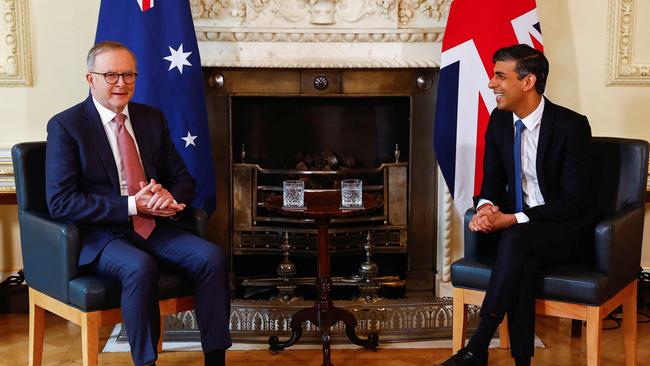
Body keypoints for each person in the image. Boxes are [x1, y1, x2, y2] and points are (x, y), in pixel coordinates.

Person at [45, 41, 231, 366]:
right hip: (101, 235)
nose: (121, 83)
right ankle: (146, 362)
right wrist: (133, 205)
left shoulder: (150, 118)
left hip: (155, 226)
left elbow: (184, 180)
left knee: (211, 257)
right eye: (111, 75)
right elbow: (62, 202)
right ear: (91, 79)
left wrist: (169, 198)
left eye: (129, 74)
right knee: (140, 267)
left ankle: (215, 359)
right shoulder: (66, 126)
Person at [439, 44, 595, 366]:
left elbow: (572, 203)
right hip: (521, 235)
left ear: (528, 82)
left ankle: (477, 346)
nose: (491, 83)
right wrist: (485, 209)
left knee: (515, 238)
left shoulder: (571, 127)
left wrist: (511, 219)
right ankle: (519, 361)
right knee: (522, 262)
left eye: (500, 75)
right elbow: (492, 184)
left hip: (564, 231)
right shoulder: (499, 121)